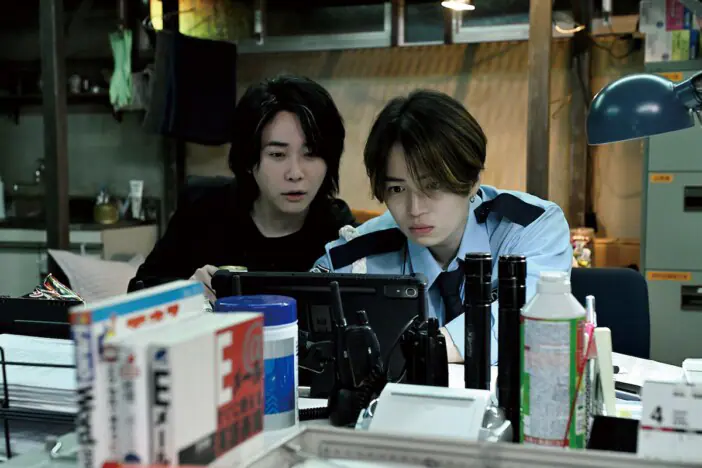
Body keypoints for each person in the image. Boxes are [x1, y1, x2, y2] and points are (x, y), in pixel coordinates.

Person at [311, 90, 572, 363]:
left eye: (432, 185)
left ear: (473, 180)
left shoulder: (529, 227)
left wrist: (418, 350)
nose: (415, 209)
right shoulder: (361, 253)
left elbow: (534, 321)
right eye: (397, 189)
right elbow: (309, 310)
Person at [129, 75, 356, 300]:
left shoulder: (340, 234)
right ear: (248, 159)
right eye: (278, 155)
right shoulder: (203, 208)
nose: (295, 173)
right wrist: (186, 292)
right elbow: (138, 291)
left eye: (311, 154)